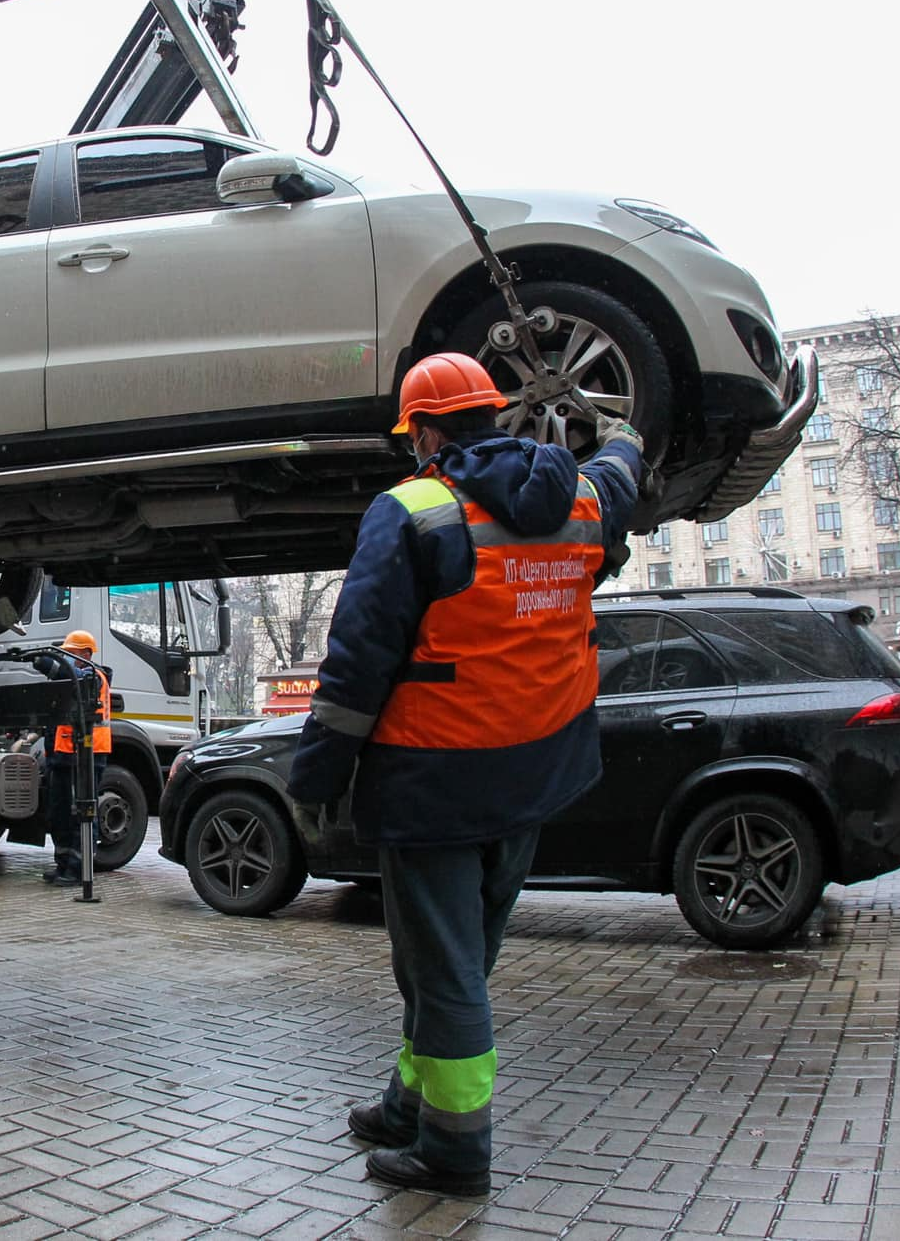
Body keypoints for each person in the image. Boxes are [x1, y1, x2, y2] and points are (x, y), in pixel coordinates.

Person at [287, 351, 641, 1199]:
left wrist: (315, 779)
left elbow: (357, 666)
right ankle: (408, 1101)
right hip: (534, 773)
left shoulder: (413, 510)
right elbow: (622, 471)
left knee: (442, 970)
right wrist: (624, 430)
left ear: (429, 433)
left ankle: (453, 1150)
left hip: (437, 781)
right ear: (497, 413)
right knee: (459, 958)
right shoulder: (579, 498)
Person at [39, 628, 110, 886]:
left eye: (71, 654)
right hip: (65, 755)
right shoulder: (71, 679)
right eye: (64, 655)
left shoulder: (94, 676)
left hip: (87, 755)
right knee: (60, 813)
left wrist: (49, 664)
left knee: (81, 812)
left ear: (86, 654)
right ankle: (63, 865)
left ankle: (79, 869)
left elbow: (74, 678)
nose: (67, 659)